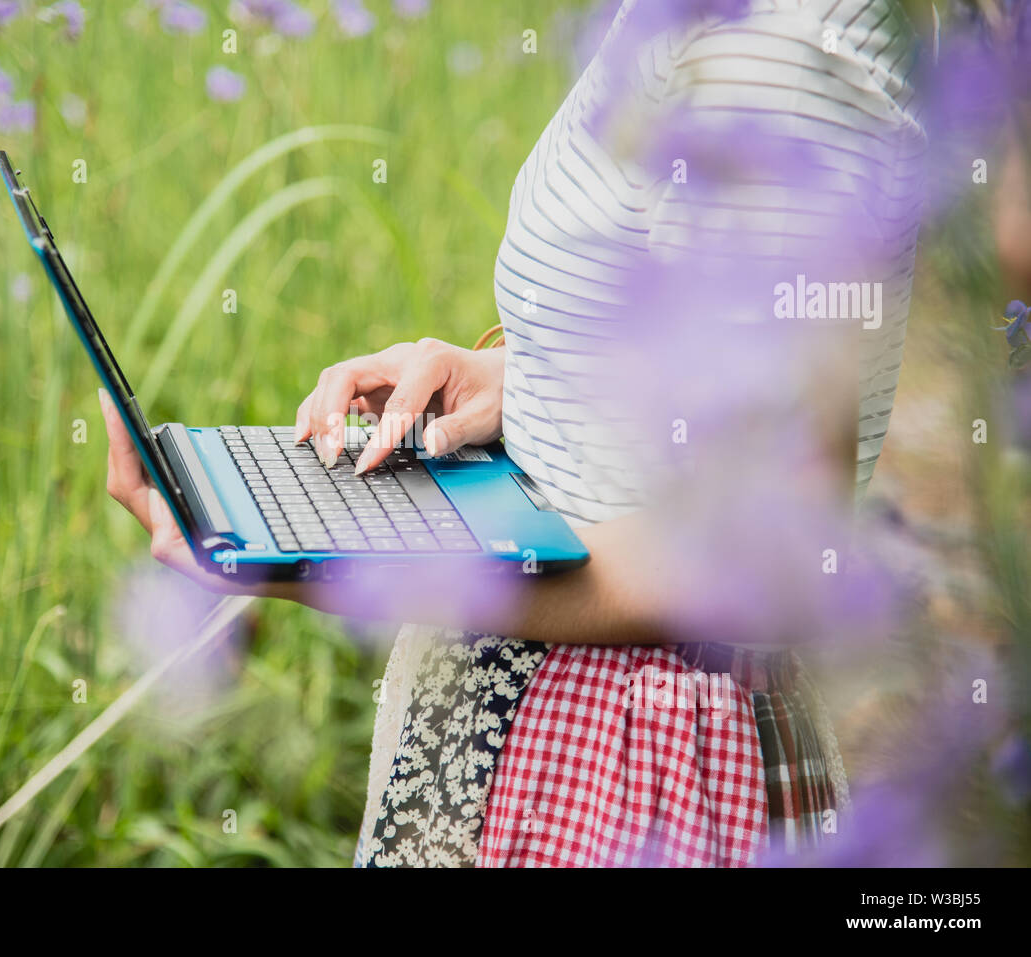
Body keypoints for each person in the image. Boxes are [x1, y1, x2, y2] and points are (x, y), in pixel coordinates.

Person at [101, 0, 925, 867]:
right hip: (552, 728)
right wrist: (517, 379)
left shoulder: (779, 47)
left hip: (628, 763)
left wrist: (341, 566)